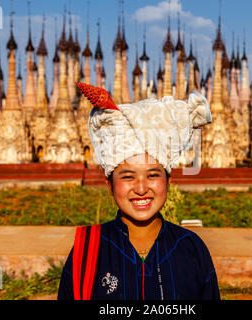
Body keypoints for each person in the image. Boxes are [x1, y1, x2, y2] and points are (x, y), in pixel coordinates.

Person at [57, 83, 220, 300]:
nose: (141, 189)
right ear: (109, 184)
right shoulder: (86, 252)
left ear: (168, 180)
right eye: (128, 176)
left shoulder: (191, 249)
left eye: (153, 175)